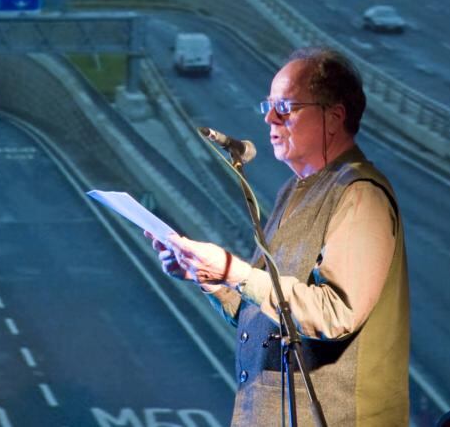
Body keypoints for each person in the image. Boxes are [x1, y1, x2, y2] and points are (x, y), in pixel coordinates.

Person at [150, 47, 409, 426]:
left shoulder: (358, 193)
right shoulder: (294, 190)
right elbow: (267, 314)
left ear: (333, 117)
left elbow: (336, 313)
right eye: (269, 106)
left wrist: (236, 273)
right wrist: (211, 278)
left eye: (285, 107)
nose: (270, 118)